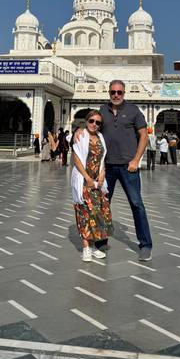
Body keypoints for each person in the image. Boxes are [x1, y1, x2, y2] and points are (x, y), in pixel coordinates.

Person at [74, 79, 153, 261]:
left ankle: (146, 245)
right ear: (109, 93)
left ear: (124, 93)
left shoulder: (133, 111)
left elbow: (143, 136)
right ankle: (101, 245)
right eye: (113, 92)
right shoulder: (103, 110)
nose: (116, 95)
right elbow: (91, 124)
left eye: (119, 92)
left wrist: (136, 160)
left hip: (128, 167)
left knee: (136, 204)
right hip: (107, 167)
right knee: (102, 206)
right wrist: (79, 128)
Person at [72, 110, 113, 261]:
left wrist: (102, 174)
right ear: (86, 121)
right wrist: (87, 178)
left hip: (98, 181)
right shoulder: (81, 135)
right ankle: (86, 248)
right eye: (92, 121)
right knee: (84, 213)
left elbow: (103, 158)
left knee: (98, 213)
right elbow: (76, 158)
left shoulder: (101, 137)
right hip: (84, 180)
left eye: (98, 122)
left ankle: (96, 245)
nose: (94, 124)